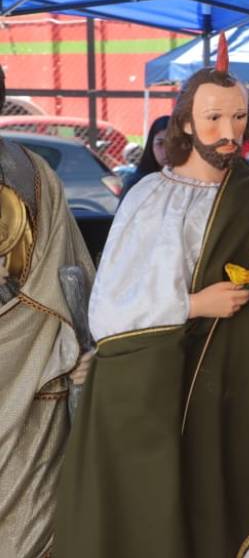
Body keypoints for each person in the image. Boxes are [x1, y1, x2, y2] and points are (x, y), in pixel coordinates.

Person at [53, 39, 249, 558]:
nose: (229, 131)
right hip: (164, 393)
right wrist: (192, 305)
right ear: (187, 124)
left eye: (240, 117)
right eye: (214, 117)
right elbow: (108, 312)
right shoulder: (150, 198)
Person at [0, 65, 95, 557]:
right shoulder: (34, 171)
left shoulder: (35, 173)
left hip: (36, 367)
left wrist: (83, 343)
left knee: (34, 523)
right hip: (37, 355)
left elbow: (71, 271)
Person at [119, 114, 170, 200]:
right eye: (160, 144)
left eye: (173, 143)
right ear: (151, 145)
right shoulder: (137, 183)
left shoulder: (191, 183)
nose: (166, 151)